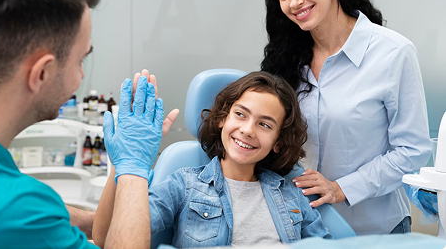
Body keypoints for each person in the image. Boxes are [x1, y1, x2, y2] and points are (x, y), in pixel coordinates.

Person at [0, 0, 177, 249]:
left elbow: (44, 215)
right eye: (80, 61)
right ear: (42, 73)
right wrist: (134, 169)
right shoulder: (12, 209)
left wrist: (116, 174)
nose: (80, 77)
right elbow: (20, 214)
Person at [260, 0, 431, 235]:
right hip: (302, 229)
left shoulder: (393, 53)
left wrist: (341, 189)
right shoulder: (285, 60)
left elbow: (412, 151)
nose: (294, 2)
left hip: (375, 230)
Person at [93, 71, 332, 248]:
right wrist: (124, 164)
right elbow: (108, 239)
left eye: (264, 124)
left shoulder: (290, 193)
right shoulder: (184, 185)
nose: (248, 130)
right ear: (222, 119)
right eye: (240, 114)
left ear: (278, 141)